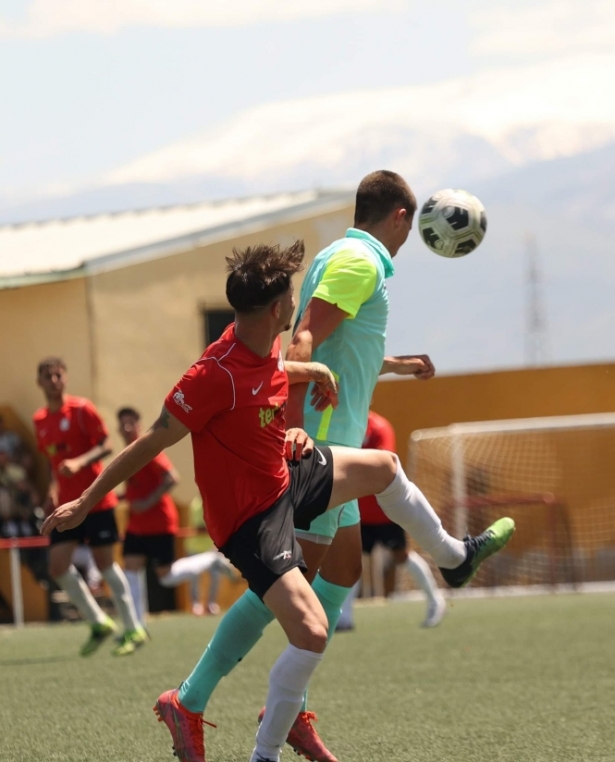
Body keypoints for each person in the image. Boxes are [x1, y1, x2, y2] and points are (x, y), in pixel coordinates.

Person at [42, 241, 514, 762]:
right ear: (277, 308)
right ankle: (258, 751)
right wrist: (85, 502)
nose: (297, 300)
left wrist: (315, 373)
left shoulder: (261, 340)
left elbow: (270, 373)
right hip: (251, 521)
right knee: (312, 633)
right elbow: (153, 438)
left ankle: (453, 558)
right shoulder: (211, 374)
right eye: (292, 294)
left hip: (286, 476)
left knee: (383, 467)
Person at [187, 170, 441, 762]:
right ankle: (197, 699)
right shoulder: (362, 262)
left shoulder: (337, 253)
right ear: (401, 217)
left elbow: (339, 353)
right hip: (323, 444)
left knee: (343, 570)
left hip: (335, 437)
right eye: (409, 228)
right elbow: (301, 344)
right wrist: (296, 423)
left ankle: (288, 702)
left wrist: (399, 365)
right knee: (285, 584)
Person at [33, 358, 144, 656]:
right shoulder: (40, 420)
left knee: (105, 563)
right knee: (57, 566)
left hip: (95, 501)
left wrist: (80, 462)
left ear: (65, 378)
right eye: (47, 376)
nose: (53, 379)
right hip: (66, 507)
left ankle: (133, 628)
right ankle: (99, 622)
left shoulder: (82, 410)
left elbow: (107, 444)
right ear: (39, 382)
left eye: (58, 374)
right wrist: (51, 491)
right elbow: (50, 462)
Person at [117, 407, 235, 625]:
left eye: (130, 423)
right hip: (136, 525)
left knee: (166, 576)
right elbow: (138, 487)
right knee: (130, 568)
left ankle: (210, 561)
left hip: (159, 524)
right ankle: (136, 624)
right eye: (122, 424)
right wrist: (123, 498)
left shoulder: (147, 449)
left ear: (139, 425)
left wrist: (147, 502)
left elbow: (172, 478)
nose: (126, 428)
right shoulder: (128, 452)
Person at [340, 410, 446, 630]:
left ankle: (436, 600)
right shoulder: (345, 423)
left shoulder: (379, 427)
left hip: (385, 511)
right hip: (357, 510)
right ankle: (345, 617)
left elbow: (381, 465)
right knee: (351, 562)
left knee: (402, 556)